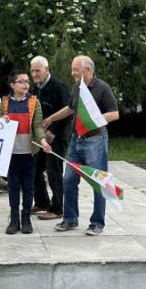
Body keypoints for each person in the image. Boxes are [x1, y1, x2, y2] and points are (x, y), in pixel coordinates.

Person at [42, 55, 119, 236]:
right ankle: (70, 219)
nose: (72, 73)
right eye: (73, 69)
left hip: (96, 141)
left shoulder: (102, 88)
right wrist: (51, 118)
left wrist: (93, 120)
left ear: (87, 70)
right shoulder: (77, 87)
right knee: (68, 180)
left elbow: (114, 114)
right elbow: (70, 108)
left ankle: (97, 223)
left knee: (98, 182)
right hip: (76, 140)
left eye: (76, 69)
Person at [0, 70, 51, 234]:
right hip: (11, 153)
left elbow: (37, 126)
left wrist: (44, 143)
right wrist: (2, 119)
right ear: (12, 85)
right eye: (21, 81)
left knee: (28, 186)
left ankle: (26, 218)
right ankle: (14, 219)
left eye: (27, 81)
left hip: (29, 153)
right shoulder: (5, 102)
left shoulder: (34, 102)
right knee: (13, 186)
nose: (26, 84)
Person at [29, 56, 71, 220]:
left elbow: (69, 112)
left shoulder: (59, 86)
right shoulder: (36, 87)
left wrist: (53, 132)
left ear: (46, 70)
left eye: (37, 70)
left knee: (54, 172)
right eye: (32, 71)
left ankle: (57, 208)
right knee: (34, 169)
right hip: (40, 137)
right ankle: (42, 201)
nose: (34, 74)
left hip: (57, 137)